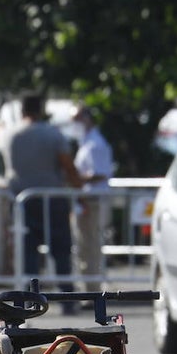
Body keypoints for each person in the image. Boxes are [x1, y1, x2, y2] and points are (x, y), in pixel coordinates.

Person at [0, 93, 83, 309]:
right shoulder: (52, 134)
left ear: (22, 110)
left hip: (22, 201)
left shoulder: (10, 134)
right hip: (52, 199)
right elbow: (67, 164)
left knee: (28, 255)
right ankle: (67, 300)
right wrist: (79, 191)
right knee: (61, 252)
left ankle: (29, 301)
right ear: (41, 110)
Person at [70, 105, 114, 290]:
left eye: (77, 119)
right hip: (86, 200)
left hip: (92, 201)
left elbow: (100, 173)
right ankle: (88, 288)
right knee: (84, 246)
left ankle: (92, 289)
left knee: (90, 245)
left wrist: (75, 178)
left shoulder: (95, 144)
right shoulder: (87, 142)